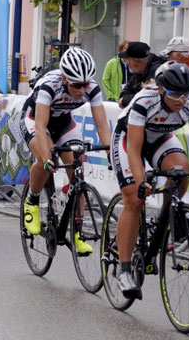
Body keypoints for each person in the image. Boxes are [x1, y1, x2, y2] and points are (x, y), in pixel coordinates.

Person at [110, 60, 189, 299]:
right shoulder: (145, 100)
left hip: (160, 138)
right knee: (134, 198)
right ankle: (124, 269)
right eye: (174, 94)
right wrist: (140, 182)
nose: (181, 100)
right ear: (161, 89)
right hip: (128, 139)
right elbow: (134, 149)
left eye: (185, 94)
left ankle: (163, 225)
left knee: (181, 173)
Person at [20, 47, 111, 254]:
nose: (82, 90)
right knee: (46, 158)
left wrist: (110, 154)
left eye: (86, 84)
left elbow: (102, 125)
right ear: (64, 79)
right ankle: (32, 200)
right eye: (77, 85)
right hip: (34, 119)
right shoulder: (49, 86)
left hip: (63, 121)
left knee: (78, 173)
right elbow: (41, 126)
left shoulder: (92, 88)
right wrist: (46, 157)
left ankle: (78, 233)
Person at [117, 41, 166, 108]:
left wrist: (125, 101)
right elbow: (123, 94)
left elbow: (148, 100)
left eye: (127, 60)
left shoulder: (158, 72)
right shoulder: (138, 71)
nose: (126, 63)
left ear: (135, 61)